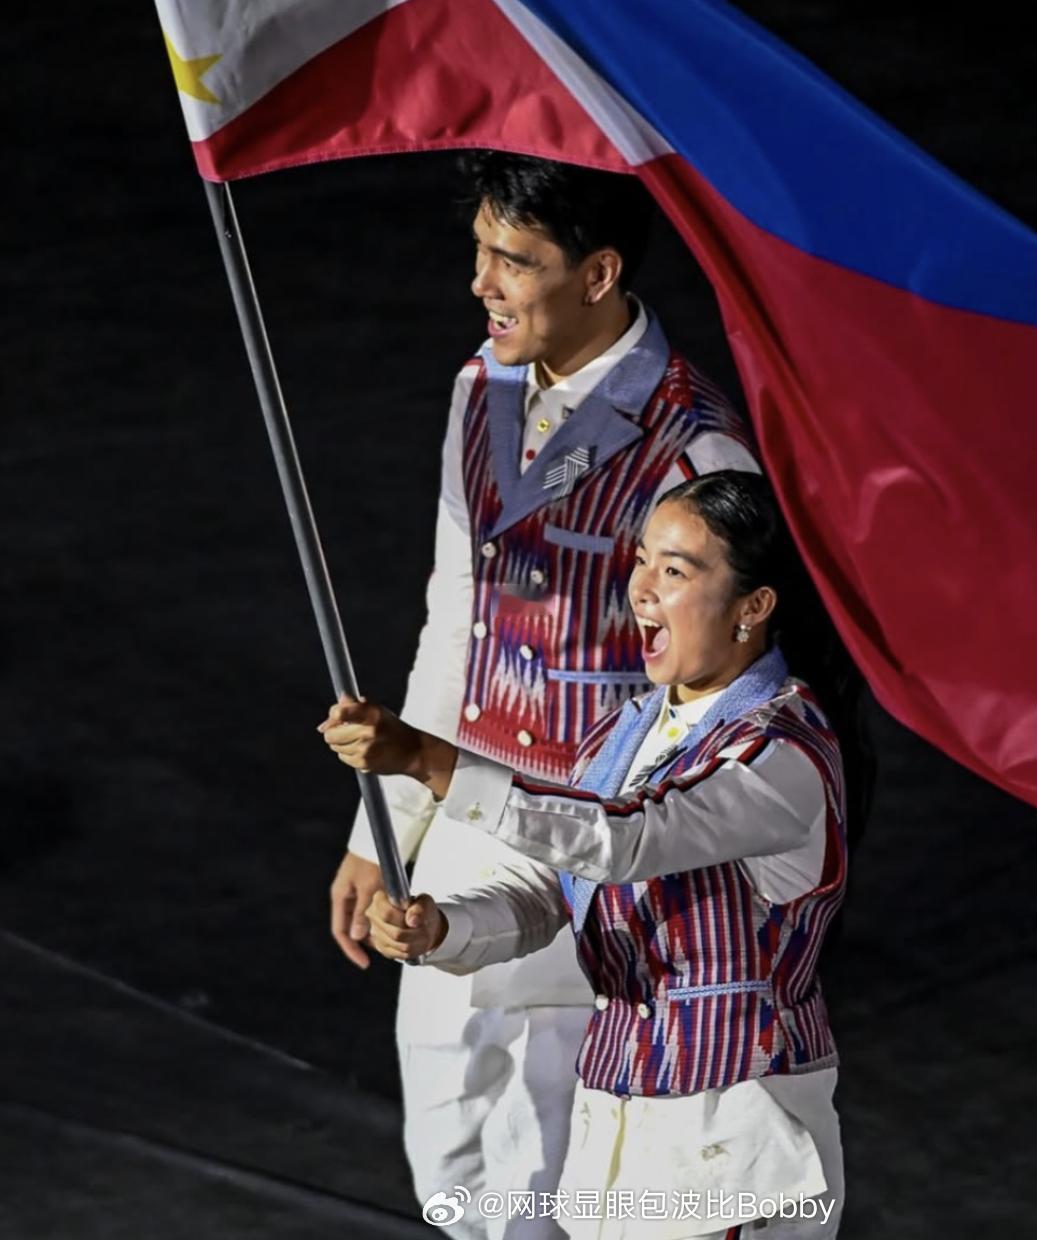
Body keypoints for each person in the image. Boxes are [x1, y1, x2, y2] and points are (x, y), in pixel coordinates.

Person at [329, 153, 760, 1236]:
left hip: (587, 843)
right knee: (453, 1148)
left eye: (513, 259)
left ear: (600, 272)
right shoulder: (483, 388)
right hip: (463, 803)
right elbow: (454, 614)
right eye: (480, 249)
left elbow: (714, 702)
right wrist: (382, 830)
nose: (481, 281)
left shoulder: (693, 451)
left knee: (553, 1170)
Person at [322, 471, 869, 1239]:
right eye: (642, 560)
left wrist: (431, 762)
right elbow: (550, 890)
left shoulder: (782, 753)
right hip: (620, 1142)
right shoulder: (630, 731)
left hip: (732, 1154)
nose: (641, 590)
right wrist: (445, 928)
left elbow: (626, 837)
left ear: (754, 606)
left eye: (675, 571)